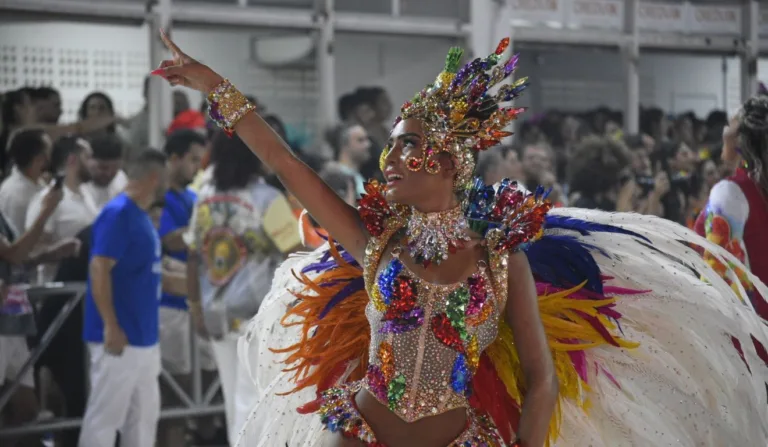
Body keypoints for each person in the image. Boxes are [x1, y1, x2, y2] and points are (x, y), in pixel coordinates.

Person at [155, 33, 768, 447]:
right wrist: (213, 83)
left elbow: (541, 377)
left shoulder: (502, 259)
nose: (390, 157)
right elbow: (283, 161)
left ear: (450, 161)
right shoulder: (375, 241)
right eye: (392, 143)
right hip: (356, 436)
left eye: (408, 145)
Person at [184, 130, 301, 444]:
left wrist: (195, 308)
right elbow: (295, 253)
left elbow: (193, 257)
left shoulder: (204, 197)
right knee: (255, 400)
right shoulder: (267, 199)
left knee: (233, 397)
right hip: (259, 312)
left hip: (215, 311)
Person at [78, 149, 168, 447]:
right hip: (120, 337)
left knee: (143, 419)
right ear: (155, 177)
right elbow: (99, 266)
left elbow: (146, 275)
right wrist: (110, 325)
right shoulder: (118, 214)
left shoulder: (140, 218)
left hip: (144, 337)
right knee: (105, 419)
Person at [156, 129, 213, 446]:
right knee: (174, 394)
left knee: (204, 389)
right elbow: (169, 239)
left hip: (196, 304)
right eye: (192, 159)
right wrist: (204, 229)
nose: (197, 167)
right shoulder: (158, 197)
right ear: (174, 158)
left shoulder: (193, 198)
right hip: (169, 305)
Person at [694, 99, 768, 321]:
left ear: (737, 137)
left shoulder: (731, 193)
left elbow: (719, 275)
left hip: (749, 335)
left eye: (729, 124)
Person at [25, 136, 98, 282]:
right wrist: (59, 251)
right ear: (72, 160)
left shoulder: (88, 194)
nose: (94, 163)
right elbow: (32, 250)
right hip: (58, 289)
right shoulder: (47, 199)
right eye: (88, 157)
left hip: (85, 284)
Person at [0, 128, 52, 232]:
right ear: (39, 159)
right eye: (49, 152)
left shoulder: (37, 180)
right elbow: (17, 242)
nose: (52, 156)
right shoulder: (14, 195)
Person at [82, 134, 129, 210]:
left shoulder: (121, 179)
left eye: (115, 168)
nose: (109, 173)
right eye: (103, 168)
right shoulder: (77, 186)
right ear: (88, 160)